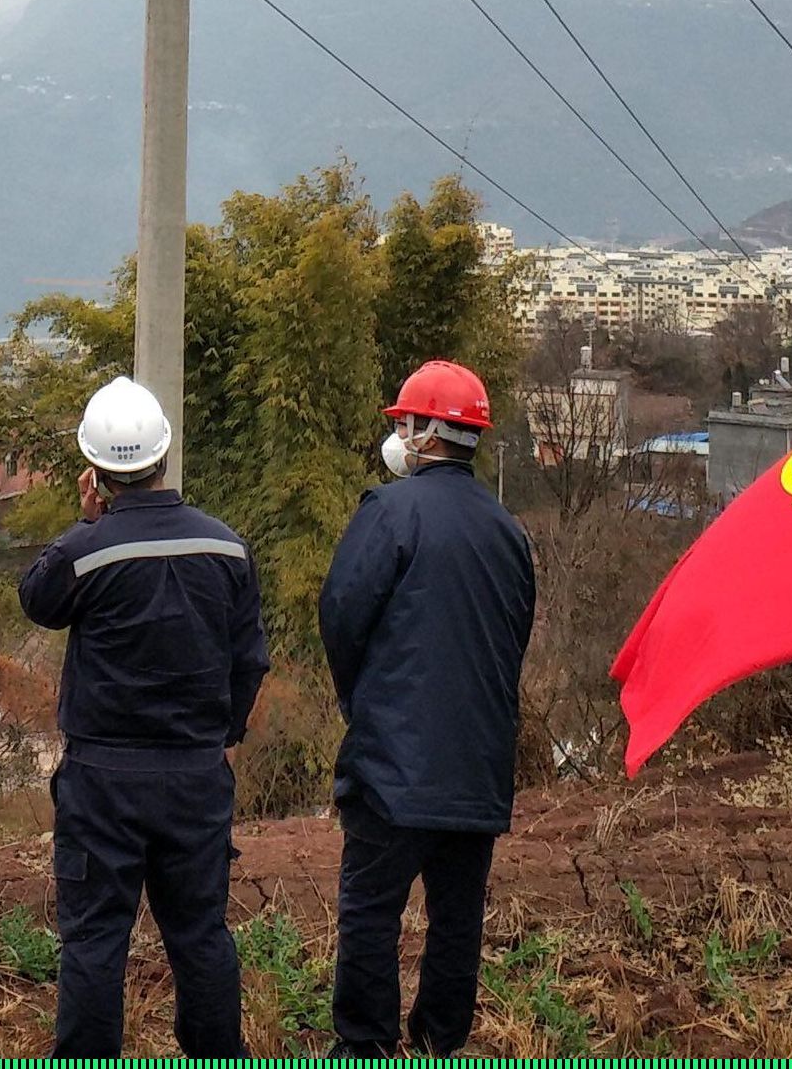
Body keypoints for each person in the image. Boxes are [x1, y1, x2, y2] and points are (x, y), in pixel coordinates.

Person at [15, 375, 270, 1061]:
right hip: (194, 774)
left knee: (95, 940)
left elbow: (37, 602)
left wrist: (86, 522)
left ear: (93, 472)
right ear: (163, 455)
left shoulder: (84, 551)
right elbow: (249, 660)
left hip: (102, 778)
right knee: (200, 934)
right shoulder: (226, 548)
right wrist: (227, 738)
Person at [316, 360, 539, 1059]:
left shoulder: (388, 511)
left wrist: (364, 703)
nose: (400, 435)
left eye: (406, 424)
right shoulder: (508, 532)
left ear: (428, 433)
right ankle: (441, 1041)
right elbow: (514, 637)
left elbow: (341, 614)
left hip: (391, 764)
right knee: (456, 917)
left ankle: (365, 1045)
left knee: (371, 912)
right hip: (476, 763)